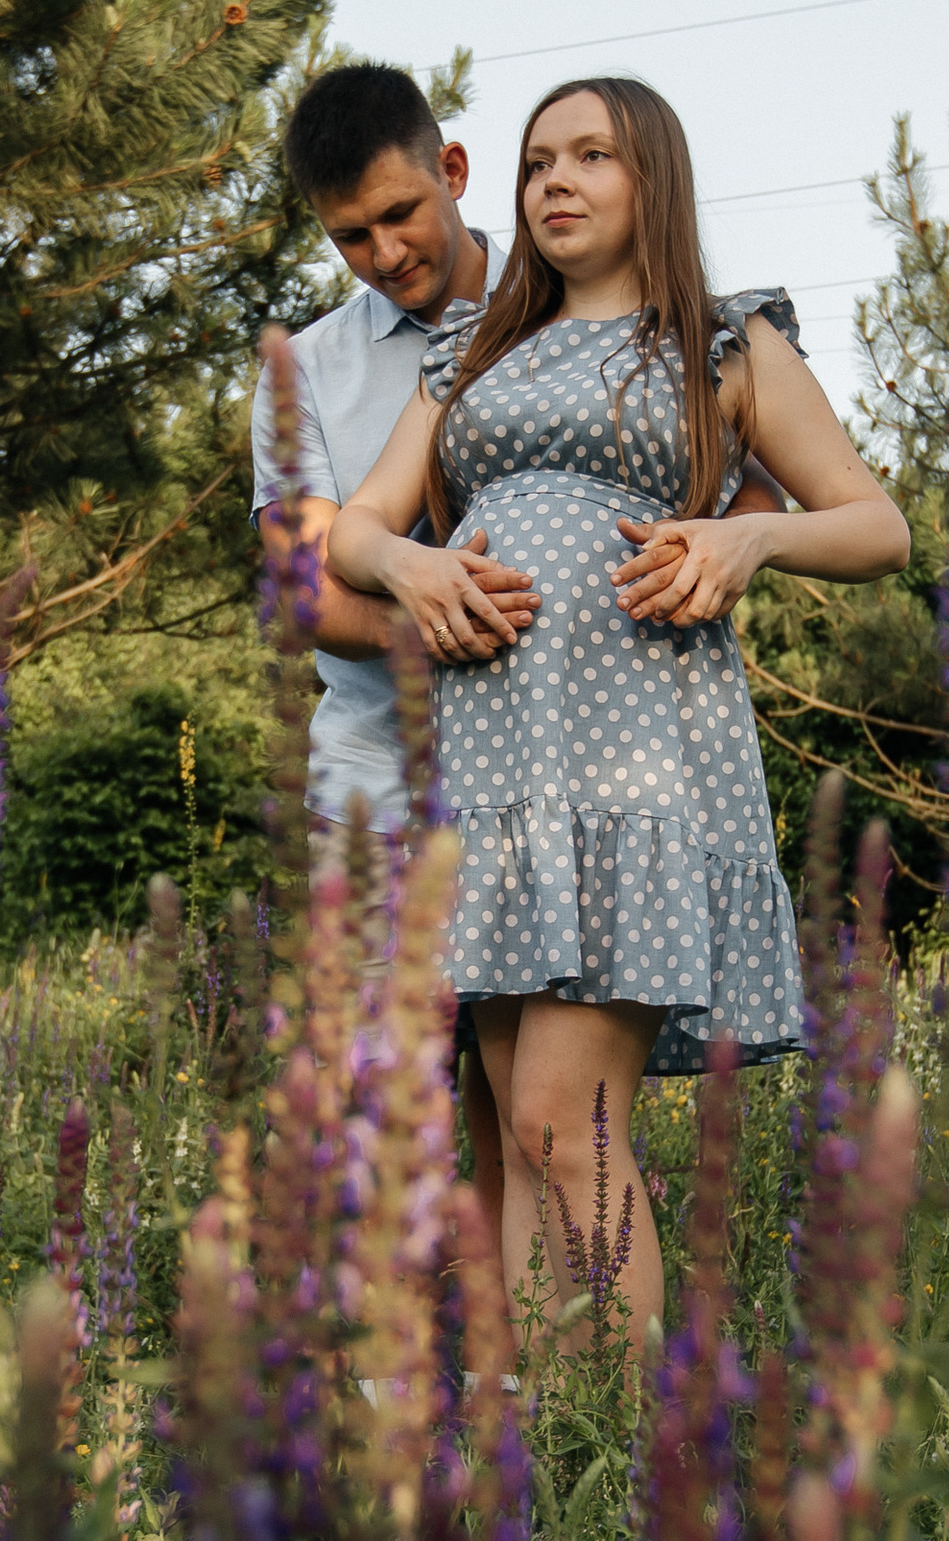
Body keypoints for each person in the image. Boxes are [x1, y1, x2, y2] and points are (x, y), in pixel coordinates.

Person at [327, 73, 911, 1349]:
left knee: (556, 1117)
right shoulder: (469, 351)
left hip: (636, 773)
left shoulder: (723, 341)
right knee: (522, 1138)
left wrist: (746, 547)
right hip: (490, 780)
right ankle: (550, 1458)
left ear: (652, 177)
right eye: (540, 161)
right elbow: (358, 531)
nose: (556, 182)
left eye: (590, 155)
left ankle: (670, 1437)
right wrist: (414, 565)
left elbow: (878, 525)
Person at [253, 64, 790, 1272]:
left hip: (587, 753)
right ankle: (389, 1388)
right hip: (383, 761)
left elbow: (743, 476)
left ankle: (520, 1396)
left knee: (532, 1115)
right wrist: (438, 607)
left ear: (452, 174)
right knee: (378, 1082)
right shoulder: (321, 372)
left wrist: (728, 547)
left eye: (401, 216)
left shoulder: (579, 300)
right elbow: (307, 570)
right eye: (350, 238)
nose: (385, 251)